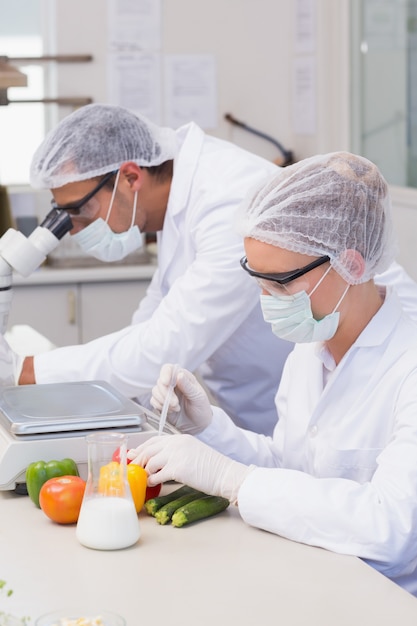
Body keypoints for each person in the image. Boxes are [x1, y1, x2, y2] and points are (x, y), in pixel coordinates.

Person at [128, 152, 417, 596]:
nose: (267, 300)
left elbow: (391, 529)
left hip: (386, 601)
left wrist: (234, 482)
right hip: (311, 578)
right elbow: (292, 466)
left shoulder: (408, 366)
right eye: (258, 280)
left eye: (281, 283)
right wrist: (208, 430)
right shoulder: (311, 348)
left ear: (353, 264)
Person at [1, 103, 294, 435]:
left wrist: (27, 371)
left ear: (130, 176)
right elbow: (151, 321)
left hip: (294, 420)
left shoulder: (229, 199)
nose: (73, 228)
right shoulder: (177, 198)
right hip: (251, 418)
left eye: (80, 209)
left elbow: (166, 345)